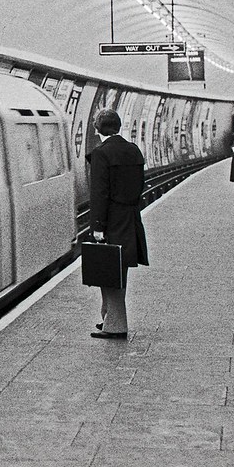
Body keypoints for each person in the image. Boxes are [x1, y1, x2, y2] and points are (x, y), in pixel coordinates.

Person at [86, 108, 149, 339]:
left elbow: (99, 193)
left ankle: (115, 325)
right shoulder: (133, 150)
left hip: (112, 219)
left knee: (110, 270)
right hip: (130, 216)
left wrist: (98, 226)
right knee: (117, 269)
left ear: (98, 128)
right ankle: (108, 317)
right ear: (118, 126)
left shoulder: (101, 154)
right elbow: (140, 185)